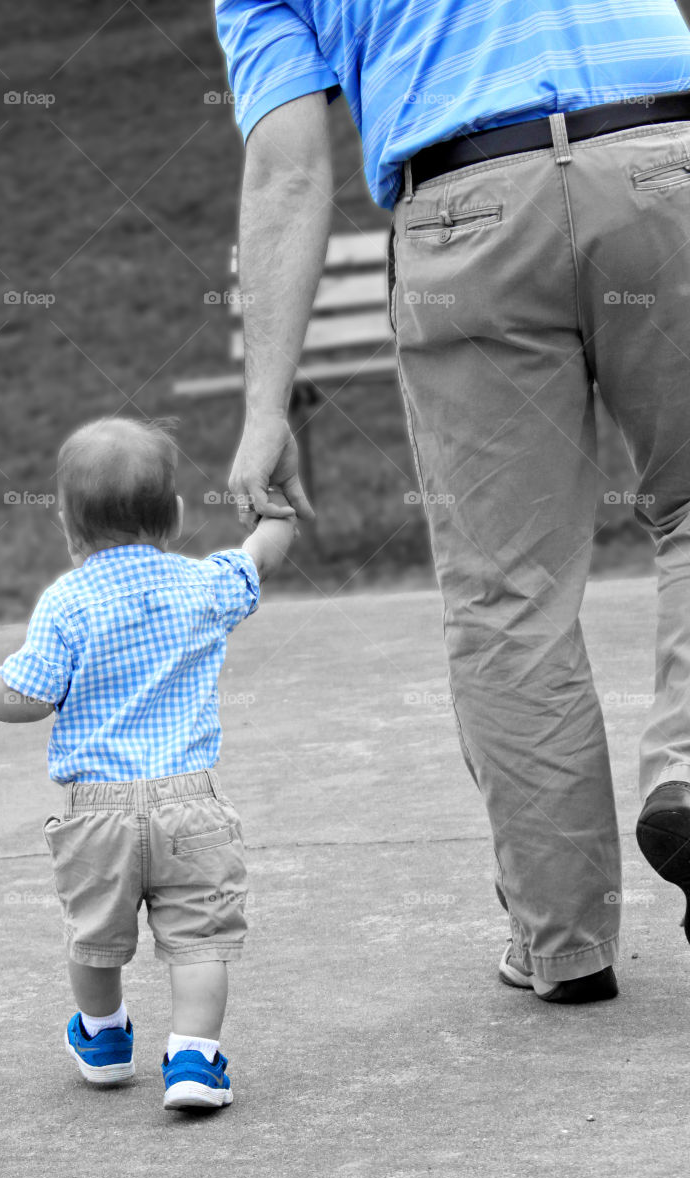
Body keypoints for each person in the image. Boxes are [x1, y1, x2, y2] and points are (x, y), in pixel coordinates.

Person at [214, 0, 690, 1003]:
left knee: (507, 592)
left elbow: (289, 167)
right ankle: (689, 770)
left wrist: (267, 410)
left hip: (465, 206)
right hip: (663, 154)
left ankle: (565, 946)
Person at [0, 416, 296, 1108]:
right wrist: (280, 496)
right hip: (193, 808)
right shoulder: (202, 584)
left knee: (93, 937)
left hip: (98, 816)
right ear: (178, 517)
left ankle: (103, 1036)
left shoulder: (67, 602)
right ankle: (194, 1059)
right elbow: (264, 552)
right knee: (201, 938)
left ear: (67, 528)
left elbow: (23, 697)